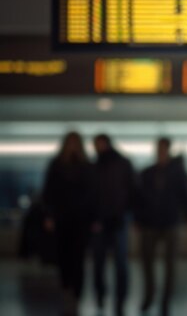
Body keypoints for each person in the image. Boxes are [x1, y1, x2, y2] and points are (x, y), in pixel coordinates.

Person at [134, 137, 187, 316]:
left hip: (170, 222)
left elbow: (185, 195)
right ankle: (149, 295)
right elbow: (139, 198)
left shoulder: (176, 173)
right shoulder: (147, 173)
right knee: (147, 262)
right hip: (150, 223)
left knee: (170, 265)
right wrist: (138, 218)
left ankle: (166, 300)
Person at [42, 131, 96, 316]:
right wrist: (49, 216)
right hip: (62, 218)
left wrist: (93, 218)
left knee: (78, 258)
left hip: (81, 220)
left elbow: (92, 195)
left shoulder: (87, 167)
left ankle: (76, 294)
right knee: (64, 257)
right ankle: (67, 290)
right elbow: (48, 193)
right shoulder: (57, 165)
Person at [91, 134, 136, 316]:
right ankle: (101, 296)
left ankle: (120, 299)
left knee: (120, 263)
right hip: (100, 221)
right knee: (99, 263)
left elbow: (132, 191)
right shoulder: (95, 166)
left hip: (118, 219)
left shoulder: (122, 164)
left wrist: (126, 213)